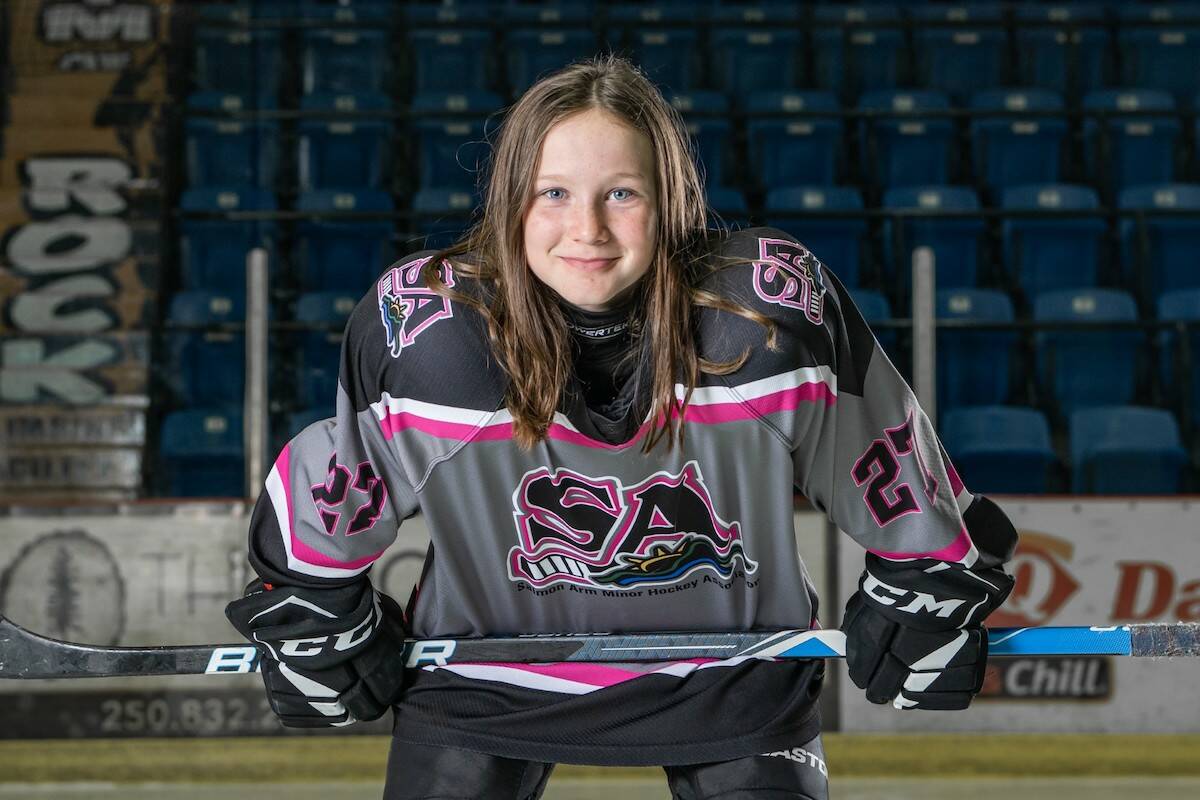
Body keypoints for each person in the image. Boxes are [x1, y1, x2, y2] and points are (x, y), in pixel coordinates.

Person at [225, 55, 1018, 799]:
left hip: (733, 677)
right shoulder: (431, 334)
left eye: (622, 193)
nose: (589, 231)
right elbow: (331, 496)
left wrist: (926, 577)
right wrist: (313, 605)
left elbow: (892, 460)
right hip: (483, 679)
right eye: (555, 193)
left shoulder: (763, 317)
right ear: (511, 201)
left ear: (669, 200)